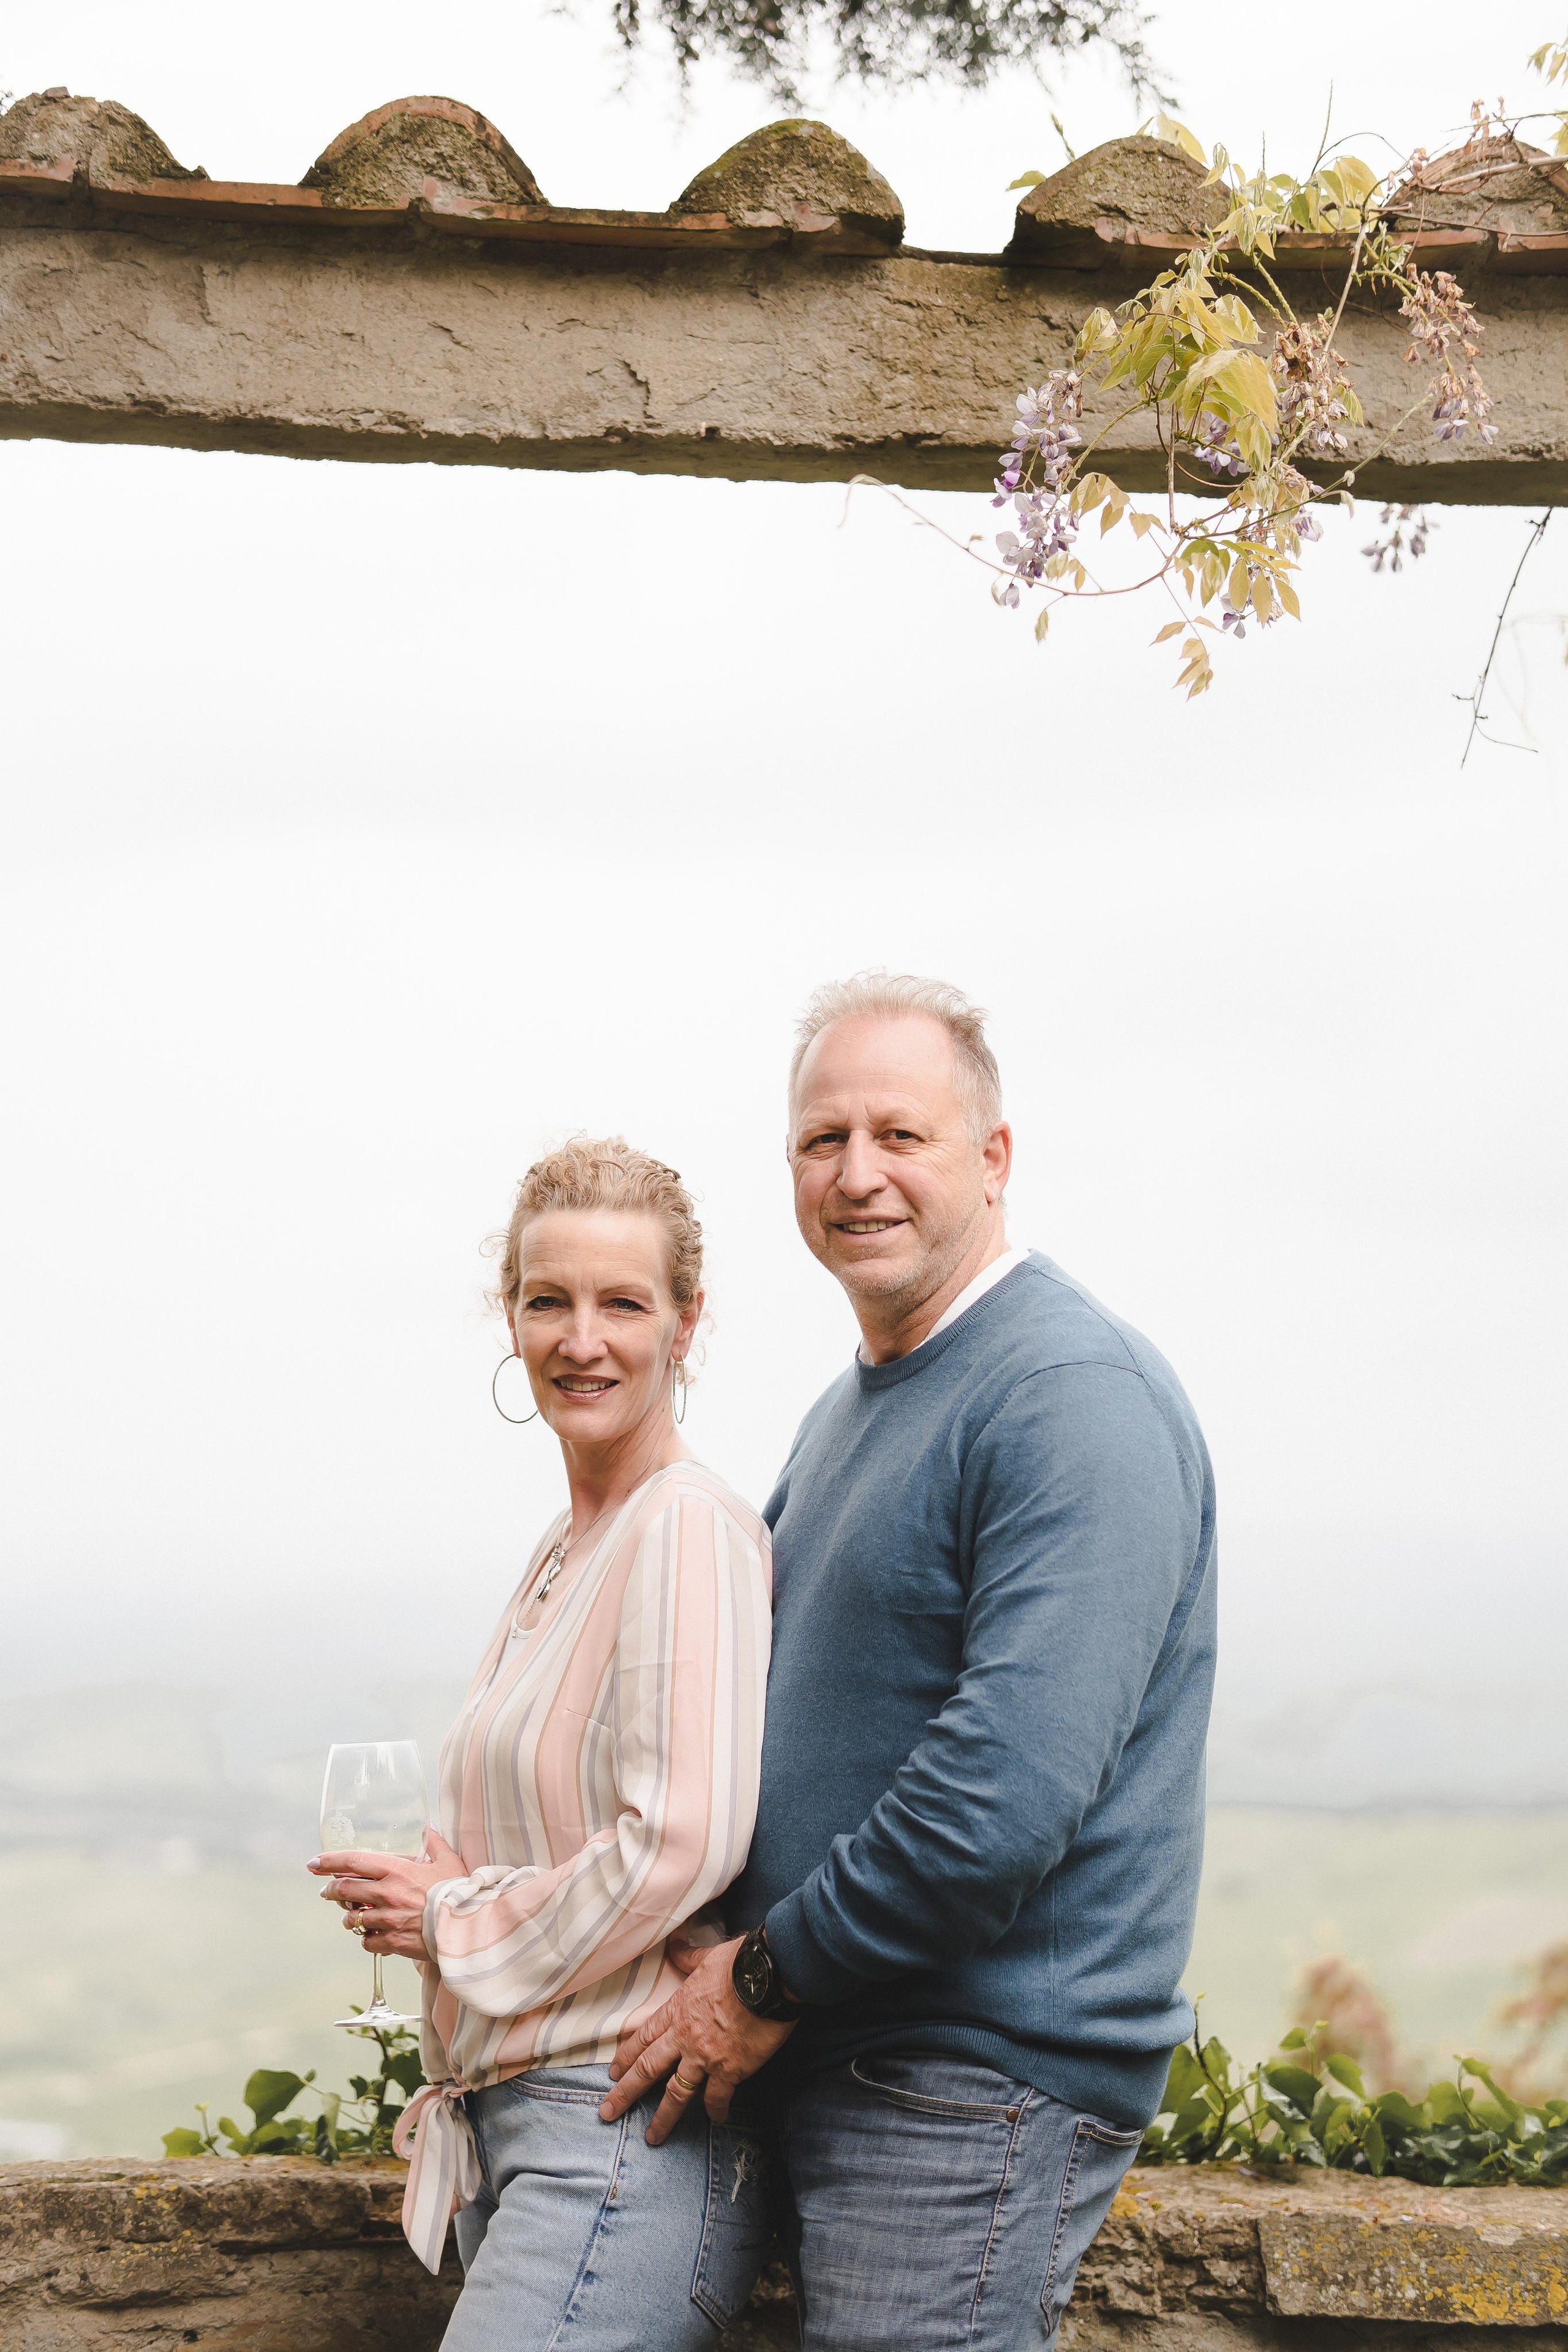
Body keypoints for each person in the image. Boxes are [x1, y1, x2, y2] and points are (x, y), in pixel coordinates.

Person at [603, 974, 1218, 2351]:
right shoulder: (852, 1410)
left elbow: (994, 1803)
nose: (856, 1175)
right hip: (843, 2050)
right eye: (822, 1142)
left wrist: (761, 1978)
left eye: (901, 1135)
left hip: (961, 2079)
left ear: (991, 1160)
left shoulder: (1066, 1397)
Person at [310, 1140, 775, 2349]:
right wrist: (431, 1875)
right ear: (507, 1318)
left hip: (611, 2144)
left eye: (622, 1303)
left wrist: (446, 1917)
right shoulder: (568, 1544)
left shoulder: (682, 1525)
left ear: (686, 1323)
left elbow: (677, 1842)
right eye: (547, 1301)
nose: (582, 1339)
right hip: (525, 2140)